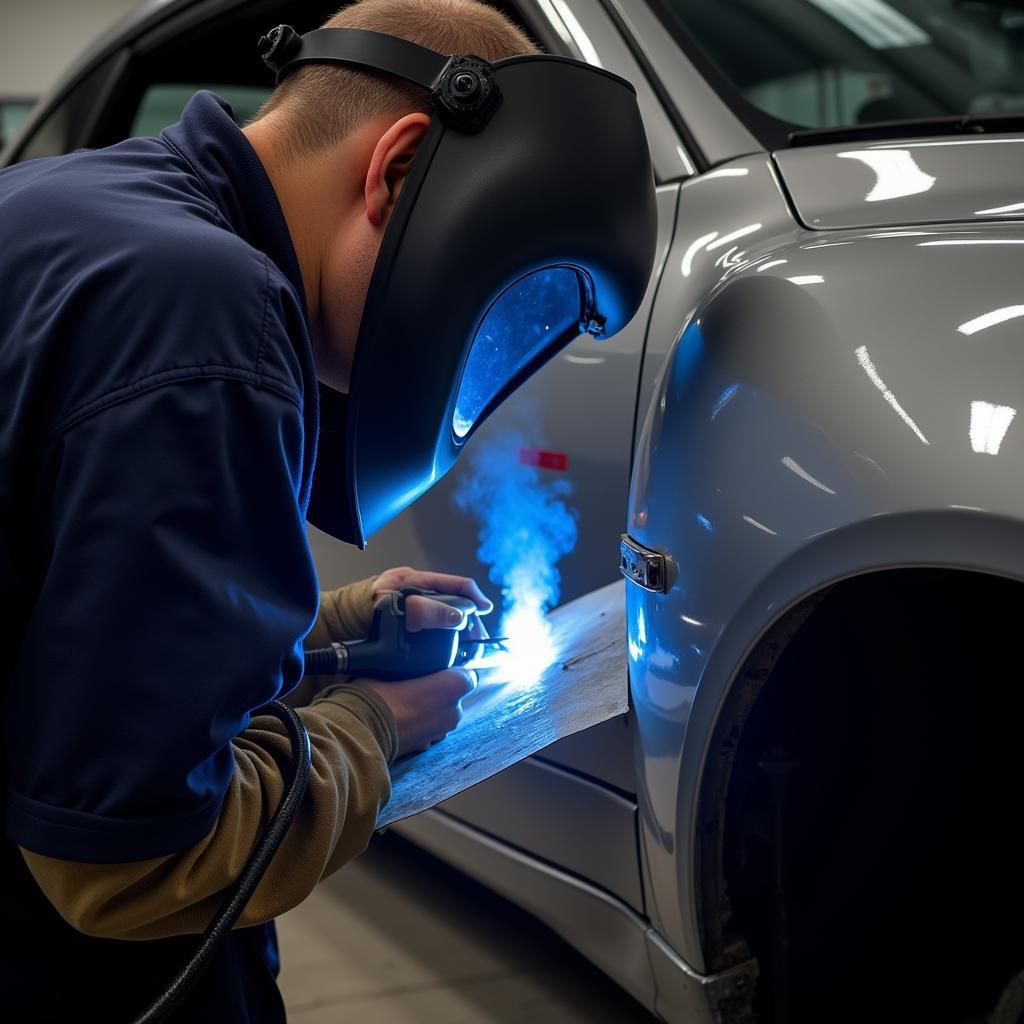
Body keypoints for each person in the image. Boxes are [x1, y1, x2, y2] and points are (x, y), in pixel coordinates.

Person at [0, 1, 539, 1020]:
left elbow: (55, 608)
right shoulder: (210, 312)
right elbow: (131, 863)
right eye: (485, 295)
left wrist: (336, 629)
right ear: (397, 171)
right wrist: (378, 726)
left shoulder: (83, 204)